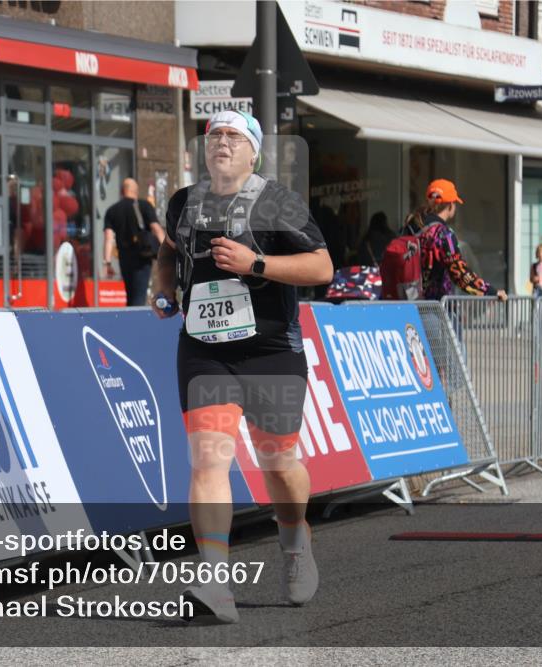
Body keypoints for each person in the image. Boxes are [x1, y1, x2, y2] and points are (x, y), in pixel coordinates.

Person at [151, 110, 333, 623]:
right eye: (214, 136)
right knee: (208, 459)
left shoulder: (277, 201)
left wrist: (256, 264)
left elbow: (322, 266)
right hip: (205, 350)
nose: (222, 143)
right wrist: (163, 288)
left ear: (254, 152)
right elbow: (168, 251)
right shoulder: (184, 202)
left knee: (278, 463)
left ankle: (295, 541)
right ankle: (215, 582)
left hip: (271, 351)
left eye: (234, 136)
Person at [401, 179, 507, 302]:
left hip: (405, 302)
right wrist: (490, 292)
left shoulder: (410, 226)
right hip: (432, 305)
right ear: (451, 205)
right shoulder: (443, 234)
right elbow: (459, 274)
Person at [102, 178, 164, 306]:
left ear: (122, 191)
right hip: (142, 257)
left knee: (130, 294)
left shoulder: (112, 210)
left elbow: (108, 237)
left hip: (124, 258)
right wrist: (167, 252)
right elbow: (157, 229)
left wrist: (107, 263)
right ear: (136, 191)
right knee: (139, 296)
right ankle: (135, 318)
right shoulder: (144, 206)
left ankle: (130, 315)